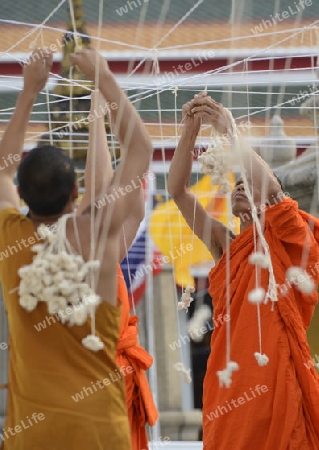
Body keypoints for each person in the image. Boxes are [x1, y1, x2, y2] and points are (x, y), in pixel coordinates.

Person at [0, 47, 153, 449]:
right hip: (99, 430)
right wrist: (103, 77)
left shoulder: (10, 236)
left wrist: (29, 91)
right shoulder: (96, 235)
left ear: (22, 194)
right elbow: (139, 150)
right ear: (74, 193)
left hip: (33, 436)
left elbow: (2, 166)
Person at [168, 92, 319, 449]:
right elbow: (177, 191)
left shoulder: (288, 232)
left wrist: (229, 130)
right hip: (230, 376)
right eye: (236, 181)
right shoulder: (225, 242)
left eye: (247, 182)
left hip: (276, 370)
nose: (239, 185)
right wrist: (189, 133)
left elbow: (273, 189)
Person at [77, 90, 158, 449]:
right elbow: (100, 198)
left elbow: (132, 209)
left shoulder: (106, 255)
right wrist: (99, 120)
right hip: (91, 377)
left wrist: (109, 124)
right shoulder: (80, 256)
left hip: (117, 377)